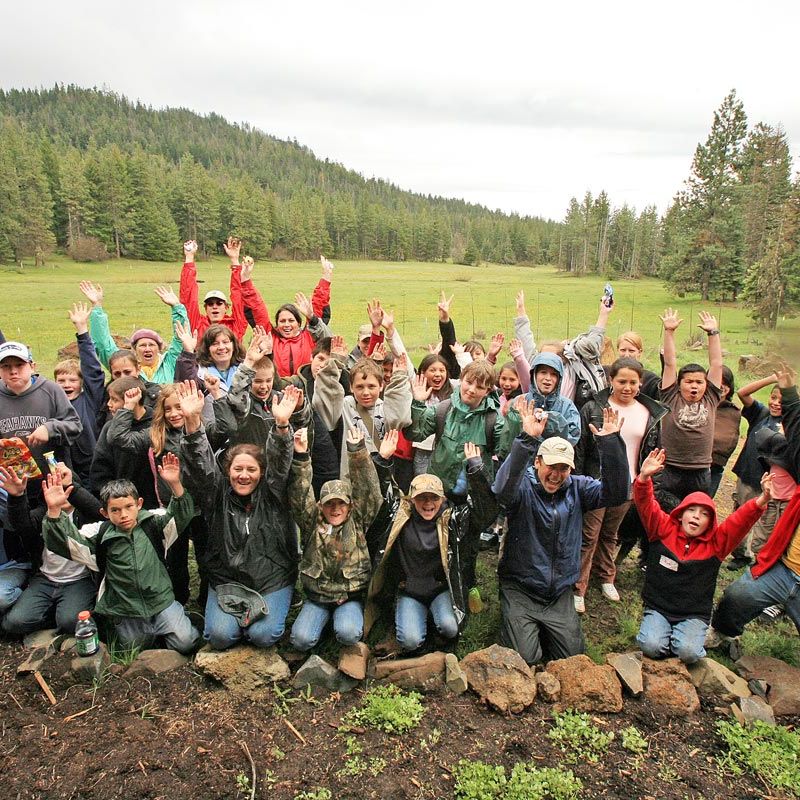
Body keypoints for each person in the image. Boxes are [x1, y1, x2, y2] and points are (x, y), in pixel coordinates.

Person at [493, 402, 629, 665]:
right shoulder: (523, 487)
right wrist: (526, 440)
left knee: (572, 658)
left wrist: (611, 444)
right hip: (521, 587)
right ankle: (518, 624)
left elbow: (617, 493)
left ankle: (543, 630)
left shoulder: (578, 489)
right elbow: (501, 491)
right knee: (526, 658)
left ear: (571, 469)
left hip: (559, 592)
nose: (556, 475)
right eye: (551, 467)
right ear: (537, 462)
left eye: (563, 469)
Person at [180, 381, 300, 650]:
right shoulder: (216, 493)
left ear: (261, 472)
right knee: (220, 638)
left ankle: (275, 606)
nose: (244, 475)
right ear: (228, 471)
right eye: (237, 469)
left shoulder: (273, 492)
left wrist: (281, 426)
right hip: (227, 580)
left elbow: (280, 463)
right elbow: (201, 467)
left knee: (263, 636)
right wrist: (192, 422)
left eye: (251, 469)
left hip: (271, 578)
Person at [41, 456, 199, 654]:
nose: (123, 515)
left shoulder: (154, 525)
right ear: (105, 512)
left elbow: (180, 516)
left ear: (139, 504)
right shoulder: (100, 538)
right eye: (115, 510)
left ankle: (178, 622)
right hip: (125, 610)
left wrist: (175, 484)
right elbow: (67, 544)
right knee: (130, 651)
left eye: (128, 507)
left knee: (187, 643)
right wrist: (54, 510)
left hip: (161, 602)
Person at [634, 448, 771, 664]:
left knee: (687, 652)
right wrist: (643, 478)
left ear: (710, 522)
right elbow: (645, 504)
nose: (696, 517)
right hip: (659, 608)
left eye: (704, 513)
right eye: (692, 510)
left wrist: (762, 499)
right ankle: (664, 636)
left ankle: (690, 639)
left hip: (693, 614)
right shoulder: (661, 529)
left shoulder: (717, 544)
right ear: (680, 514)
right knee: (650, 646)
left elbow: (740, 521)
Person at [364, 443, 498, 652]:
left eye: (434, 498)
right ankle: (412, 617)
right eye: (422, 498)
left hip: (440, 590)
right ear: (411, 499)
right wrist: (382, 461)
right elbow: (376, 494)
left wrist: (475, 468)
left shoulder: (454, 520)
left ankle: (433, 620)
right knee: (409, 641)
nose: (428, 503)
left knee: (450, 628)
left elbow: (486, 512)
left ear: (443, 499)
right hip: (408, 590)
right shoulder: (399, 516)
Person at [708, 366, 800, 646]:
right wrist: (790, 396)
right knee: (736, 598)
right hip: (784, 569)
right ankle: (722, 633)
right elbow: (797, 442)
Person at [573, 357, 669, 613]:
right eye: (621, 381)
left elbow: (652, 449)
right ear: (611, 381)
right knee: (588, 535)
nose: (627, 387)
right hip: (596, 482)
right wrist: (580, 482)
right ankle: (578, 586)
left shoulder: (649, 412)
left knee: (610, 534)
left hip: (628, 484)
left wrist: (646, 482)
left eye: (633, 382)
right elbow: (581, 447)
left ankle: (606, 576)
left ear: (641, 383)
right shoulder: (594, 407)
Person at [288, 427, 387, 653]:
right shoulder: (311, 521)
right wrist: (302, 457)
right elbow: (299, 492)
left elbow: (368, 490)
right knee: (301, 641)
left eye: (341, 503)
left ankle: (341, 622)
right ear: (320, 506)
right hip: (318, 597)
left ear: (350, 506)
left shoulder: (359, 519)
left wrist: (358, 452)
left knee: (349, 633)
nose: (335, 509)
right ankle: (320, 623)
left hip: (349, 596)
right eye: (330, 504)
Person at [1, 462, 100, 635]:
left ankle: (64, 612)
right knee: (13, 623)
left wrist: (71, 486)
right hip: (46, 578)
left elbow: (101, 512)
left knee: (71, 622)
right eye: (56, 488)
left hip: (79, 580)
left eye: (64, 489)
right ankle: (49, 614)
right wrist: (17, 496)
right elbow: (22, 525)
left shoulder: (86, 515)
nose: (61, 493)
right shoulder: (43, 514)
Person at [654, 308, 724, 511]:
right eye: (689, 382)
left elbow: (717, 364)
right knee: (666, 515)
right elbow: (669, 363)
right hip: (670, 468)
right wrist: (669, 332)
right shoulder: (670, 396)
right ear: (679, 383)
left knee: (693, 514)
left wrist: (713, 333)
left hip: (700, 470)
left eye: (699, 382)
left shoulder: (711, 398)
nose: (694, 386)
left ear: (706, 384)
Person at [315, 340, 412, 477]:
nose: (366, 392)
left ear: (381, 386)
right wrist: (334, 364)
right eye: (360, 387)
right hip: (350, 479)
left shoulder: (387, 409)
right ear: (351, 387)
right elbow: (325, 402)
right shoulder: (344, 406)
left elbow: (400, 416)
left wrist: (399, 379)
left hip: (382, 477)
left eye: (371, 386)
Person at [408, 359, 504, 495]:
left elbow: (505, 453)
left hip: (474, 496)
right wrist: (417, 403)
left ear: (487, 391)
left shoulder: (493, 419)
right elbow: (415, 434)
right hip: (440, 492)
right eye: (469, 383)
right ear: (461, 379)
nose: (471, 390)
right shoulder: (443, 409)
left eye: (480, 387)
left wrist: (516, 422)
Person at [0, 340, 82, 489]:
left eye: (19, 365)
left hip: (53, 480)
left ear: (32, 366)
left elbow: (75, 425)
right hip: (11, 484)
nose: (13, 371)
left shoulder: (51, 390)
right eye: (6, 366)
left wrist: (49, 429)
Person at [727, 371, 785, 568]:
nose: (776, 403)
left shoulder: (792, 424)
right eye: (773, 397)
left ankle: (761, 558)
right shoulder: (761, 413)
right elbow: (743, 393)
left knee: (765, 523)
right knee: (741, 514)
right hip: (748, 475)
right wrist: (772, 379)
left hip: (772, 483)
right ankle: (740, 555)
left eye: (782, 400)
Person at [81, 281, 190, 384]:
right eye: (142, 345)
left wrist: (177, 307)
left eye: (151, 344)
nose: (147, 349)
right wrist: (97, 306)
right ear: (135, 350)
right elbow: (103, 345)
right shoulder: (125, 366)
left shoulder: (169, 363)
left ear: (159, 348)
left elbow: (181, 338)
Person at [53, 302, 106, 491]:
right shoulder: (51, 406)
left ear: (81, 383)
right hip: (65, 474)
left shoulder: (90, 401)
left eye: (72, 380)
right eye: (61, 380)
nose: (67, 385)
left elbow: (92, 371)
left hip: (95, 473)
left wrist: (82, 331)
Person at [179, 238, 269, 339]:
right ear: (205, 309)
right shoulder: (197, 325)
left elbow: (238, 297)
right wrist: (189, 257)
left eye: (219, 303)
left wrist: (235, 261)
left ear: (226, 307)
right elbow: (188, 296)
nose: (214, 306)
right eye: (210, 304)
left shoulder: (235, 326)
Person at [499, 352, 581, 455]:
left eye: (554, 374)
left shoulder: (567, 406)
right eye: (543, 372)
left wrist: (549, 420)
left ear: (559, 379)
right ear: (534, 375)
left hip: (552, 466)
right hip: (522, 465)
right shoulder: (519, 402)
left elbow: (571, 439)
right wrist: (519, 421)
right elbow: (506, 443)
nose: (548, 378)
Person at [709, 365, 741, 499]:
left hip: (714, 469)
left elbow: (730, 440)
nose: (721, 386)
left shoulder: (733, 412)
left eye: (726, 383)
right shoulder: (698, 404)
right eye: (717, 382)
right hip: (689, 465)